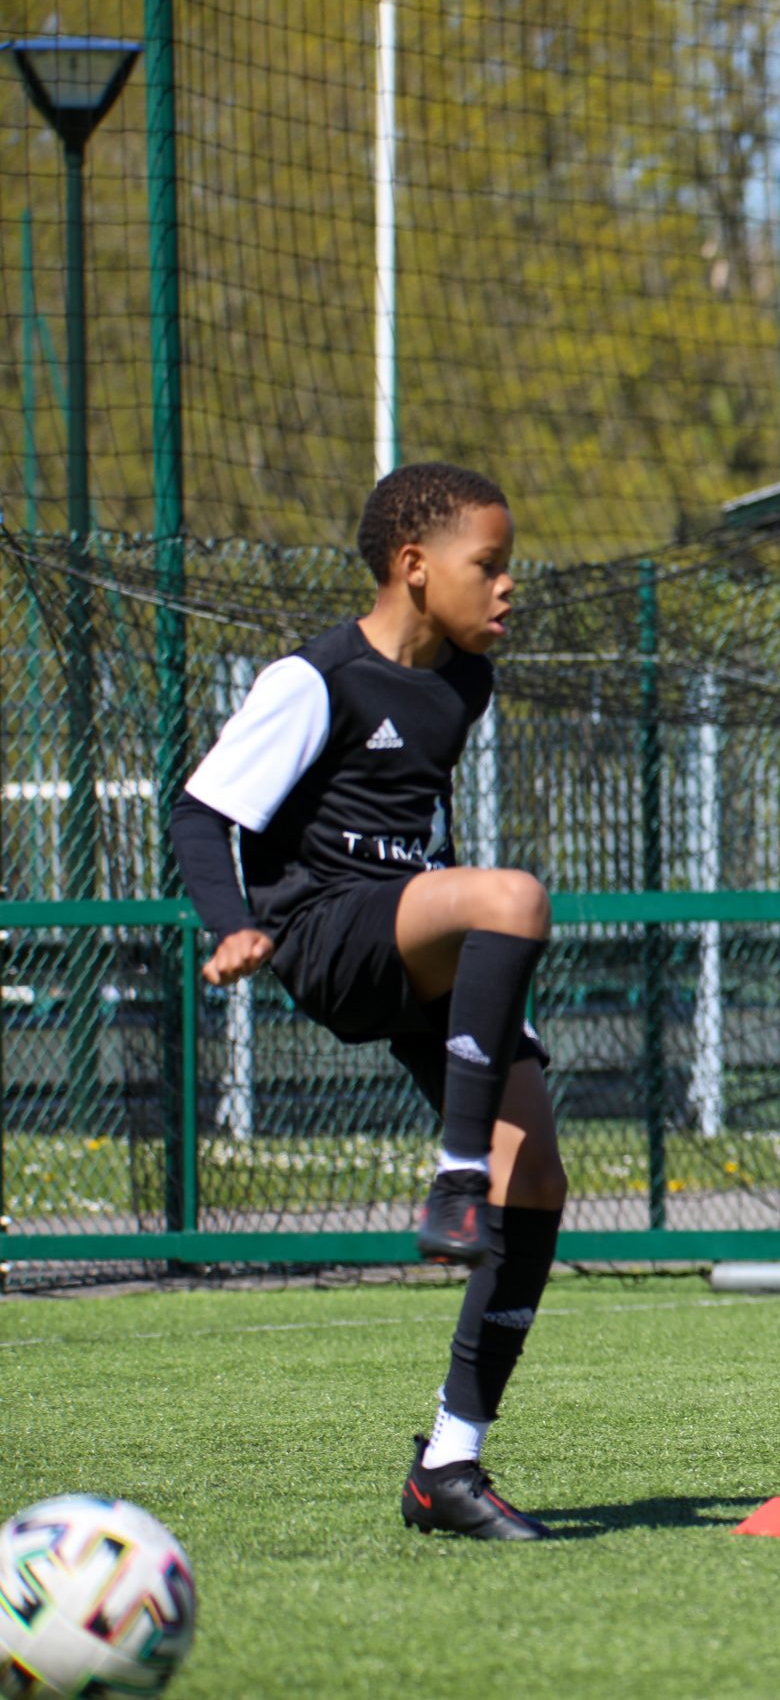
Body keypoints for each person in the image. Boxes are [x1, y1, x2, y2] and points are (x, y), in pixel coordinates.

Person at [172, 462, 560, 1541]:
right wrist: (231, 924)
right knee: (514, 894)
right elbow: (204, 818)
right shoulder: (314, 679)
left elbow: (418, 835)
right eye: (490, 565)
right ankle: (453, 1174)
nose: (507, 587)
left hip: (421, 944)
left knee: (541, 1184)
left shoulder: (465, 684)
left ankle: (449, 1465)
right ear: (412, 565)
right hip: (330, 938)